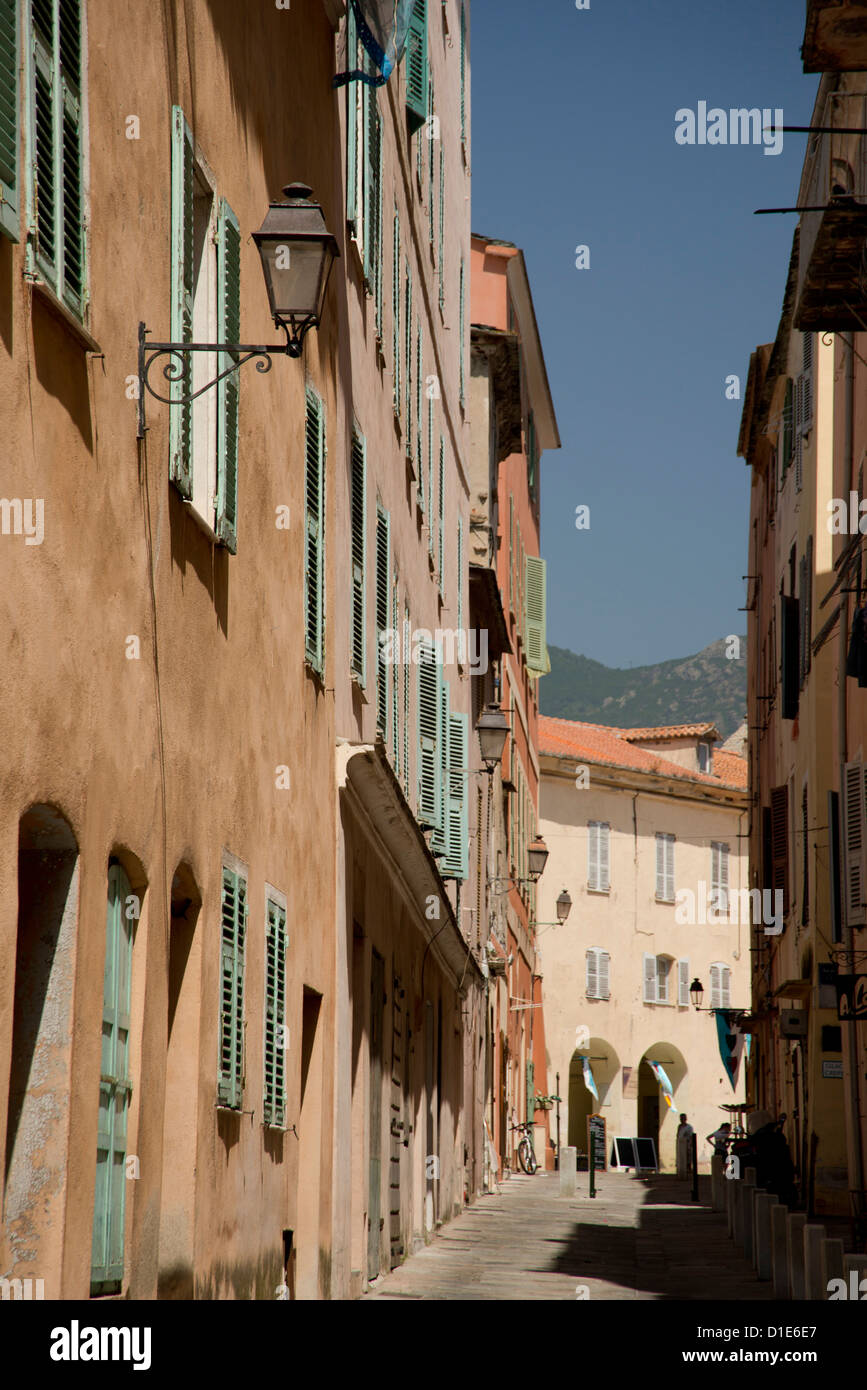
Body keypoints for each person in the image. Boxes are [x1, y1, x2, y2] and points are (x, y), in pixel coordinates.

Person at [676, 1113, 694, 1179]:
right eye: (681, 1118)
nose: (682, 1120)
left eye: (683, 1118)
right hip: (680, 1144)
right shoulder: (679, 1126)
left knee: (688, 1158)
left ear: (686, 1119)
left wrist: (690, 1144)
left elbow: (691, 1136)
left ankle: (688, 1171)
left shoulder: (689, 1127)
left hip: (687, 1144)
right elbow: (678, 1134)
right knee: (681, 1158)